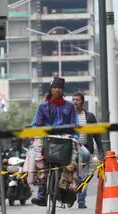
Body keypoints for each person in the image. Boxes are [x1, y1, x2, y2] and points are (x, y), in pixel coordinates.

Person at [30, 77, 89, 207]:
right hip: (47, 140)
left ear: (63, 90)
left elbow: (75, 126)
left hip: (66, 140)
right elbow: (36, 124)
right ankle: (41, 196)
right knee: (38, 159)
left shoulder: (70, 107)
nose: (57, 90)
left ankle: (71, 191)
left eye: (60, 88)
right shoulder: (42, 107)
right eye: (55, 87)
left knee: (84, 155)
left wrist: (75, 138)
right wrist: (38, 134)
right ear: (50, 90)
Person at [72, 92, 104, 209]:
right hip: (72, 149)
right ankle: (70, 196)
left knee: (84, 176)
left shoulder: (89, 117)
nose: (75, 102)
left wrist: (101, 151)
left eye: (77, 100)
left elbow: (97, 136)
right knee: (70, 175)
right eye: (73, 99)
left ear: (82, 102)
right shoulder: (70, 116)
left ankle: (81, 201)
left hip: (86, 149)